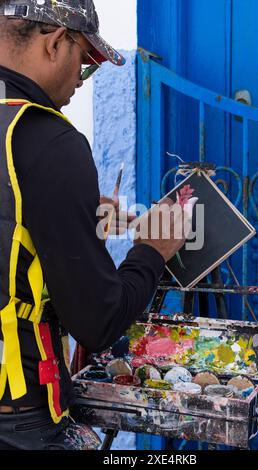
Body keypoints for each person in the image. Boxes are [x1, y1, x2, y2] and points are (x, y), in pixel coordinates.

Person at [0, 0, 188, 450]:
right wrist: (151, 250)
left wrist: (70, 221)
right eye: (85, 64)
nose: (81, 84)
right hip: (22, 414)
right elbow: (98, 321)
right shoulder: (49, 139)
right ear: (56, 42)